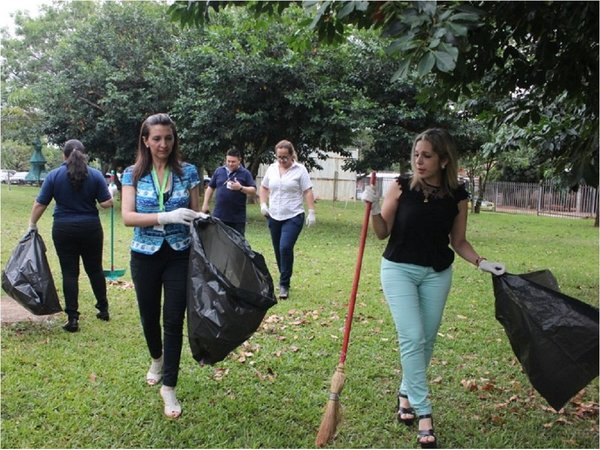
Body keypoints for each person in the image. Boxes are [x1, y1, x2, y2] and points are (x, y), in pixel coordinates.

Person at [360, 128, 505, 449]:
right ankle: (424, 412)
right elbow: (382, 232)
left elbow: (459, 241)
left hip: (437, 273)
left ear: (443, 160)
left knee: (425, 340)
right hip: (398, 269)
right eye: (416, 155)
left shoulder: (458, 195)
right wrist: (371, 209)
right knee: (412, 337)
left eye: (426, 156)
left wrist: (482, 262)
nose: (419, 161)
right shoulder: (400, 187)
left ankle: (405, 393)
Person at [121, 113, 204, 419]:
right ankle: (156, 358)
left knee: (173, 320)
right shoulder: (132, 174)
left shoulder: (189, 172)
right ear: (145, 140)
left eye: (168, 138)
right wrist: (164, 216)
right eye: (156, 138)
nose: (163, 144)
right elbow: (128, 217)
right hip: (144, 255)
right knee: (149, 317)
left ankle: (169, 386)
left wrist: (202, 218)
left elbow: (196, 213)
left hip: (179, 254)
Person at [28, 139, 117, 333]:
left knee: (69, 273)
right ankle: (103, 309)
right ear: (84, 155)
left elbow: (40, 204)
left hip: (63, 229)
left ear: (64, 155)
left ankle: (73, 318)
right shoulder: (95, 175)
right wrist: (113, 196)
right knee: (94, 270)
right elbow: (105, 203)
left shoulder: (54, 176)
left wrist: (32, 225)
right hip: (90, 229)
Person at [259, 139, 316, 299]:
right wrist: (263, 204)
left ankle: (284, 284)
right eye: (279, 157)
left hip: (293, 215)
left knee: (285, 247)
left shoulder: (300, 170)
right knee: (278, 250)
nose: (282, 160)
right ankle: (284, 274)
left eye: (285, 157)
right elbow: (264, 187)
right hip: (274, 216)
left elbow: (307, 191)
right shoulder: (271, 169)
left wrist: (311, 211)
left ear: (292, 155)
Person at [201, 148, 257, 236]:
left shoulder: (245, 173)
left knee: (237, 245)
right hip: (219, 215)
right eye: (228, 161)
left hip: (237, 218)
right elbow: (210, 188)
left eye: (233, 162)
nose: (230, 164)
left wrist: (240, 188)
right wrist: (205, 204)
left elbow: (253, 190)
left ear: (239, 160)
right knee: (218, 242)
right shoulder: (219, 171)